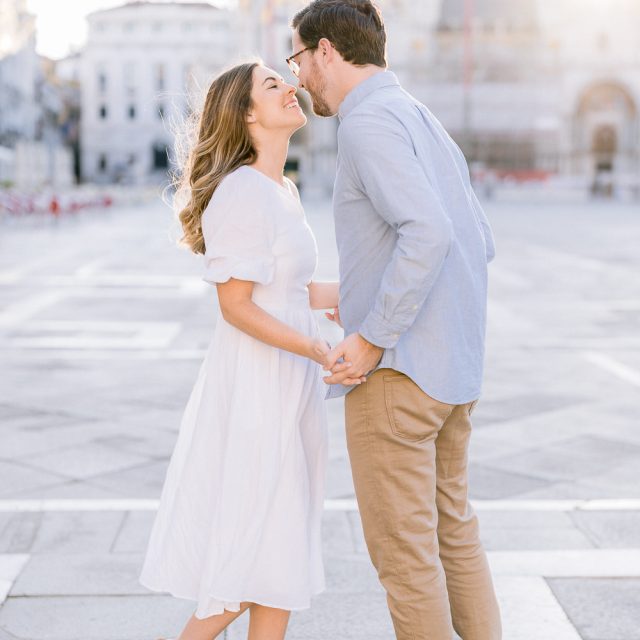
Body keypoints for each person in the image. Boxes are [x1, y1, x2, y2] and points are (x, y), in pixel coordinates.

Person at [288, 1, 502, 639]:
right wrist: (346, 291)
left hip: (398, 379)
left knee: (405, 559)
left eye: (297, 58)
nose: (297, 76)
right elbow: (476, 241)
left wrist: (374, 333)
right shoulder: (419, 116)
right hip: (452, 372)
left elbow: (428, 233)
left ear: (326, 50)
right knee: (454, 536)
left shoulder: (366, 124)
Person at [139, 61, 359, 640]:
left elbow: (287, 288)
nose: (290, 88)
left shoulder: (280, 188)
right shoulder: (240, 190)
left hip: (290, 384)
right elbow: (236, 305)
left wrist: (370, 293)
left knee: (276, 566)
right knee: (244, 565)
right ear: (246, 114)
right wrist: (315, 347)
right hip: (260, 390)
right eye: (272, 85)